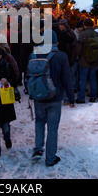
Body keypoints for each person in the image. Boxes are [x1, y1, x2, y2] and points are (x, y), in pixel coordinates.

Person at [31, 30, 73, 167]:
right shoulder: (61, 56)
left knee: (39, 122)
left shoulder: (34, 53)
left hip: (38, 96)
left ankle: (38, 150)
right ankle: (50, 158)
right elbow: (67, 79)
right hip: (55, 97)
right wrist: (71, 98)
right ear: (55, 41)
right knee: (52, 128)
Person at [76, 18, 98, 103]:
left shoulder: (83, 34)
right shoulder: (97, 34)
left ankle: (81, 98)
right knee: (93, 78)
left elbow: (79, 48)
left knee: (83, 79)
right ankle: (93, 96)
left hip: (84, 60)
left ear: (85, 25)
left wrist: (78, 56)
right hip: (94, 61)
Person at [54, 19, 77, 106]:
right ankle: (63, 98)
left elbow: (74, 48)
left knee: (68, 79)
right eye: (60, 25)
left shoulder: (70, 34)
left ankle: (67, 98)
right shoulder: (59, 33)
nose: (60, 26)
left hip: (68, 58)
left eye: (62, 25)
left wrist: (72, 59)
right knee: (62, 79)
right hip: (61, 59)